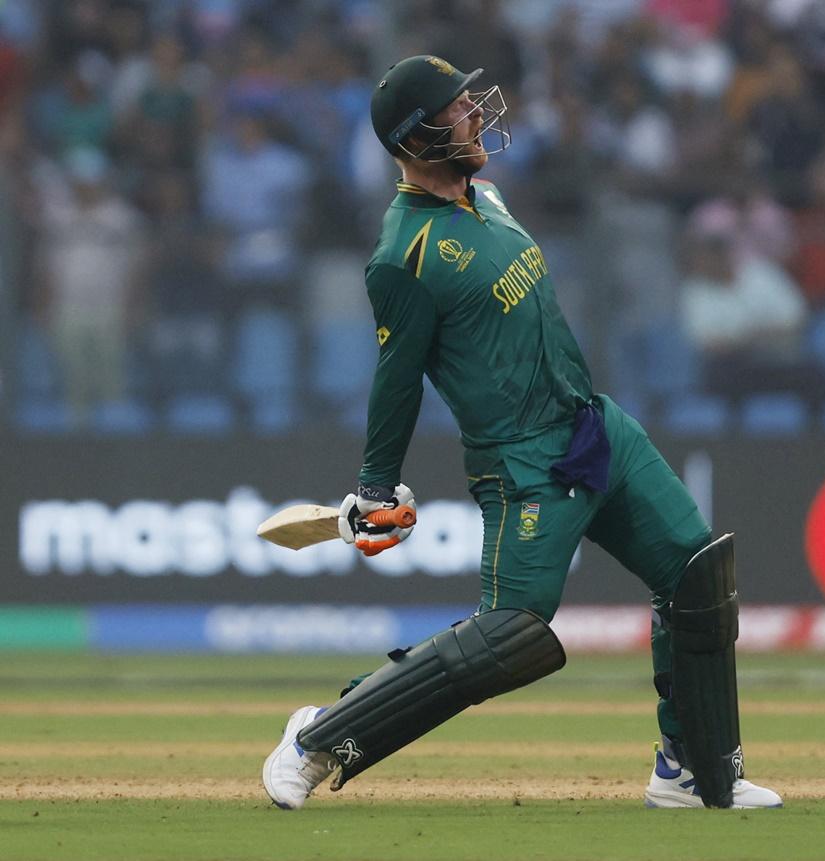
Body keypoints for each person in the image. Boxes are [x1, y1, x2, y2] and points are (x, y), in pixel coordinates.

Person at [261, 55, 782, 812]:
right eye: (456, 107)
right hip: (524, 463)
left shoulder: (489, 198)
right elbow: (397, 378)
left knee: (695, 577)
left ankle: (693, 769)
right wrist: (376, 485)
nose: (475, 113)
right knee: (509, 634)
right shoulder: (402, 256)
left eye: (471, 100)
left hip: (595, 428)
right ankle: (319, 737)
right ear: (414, 138)